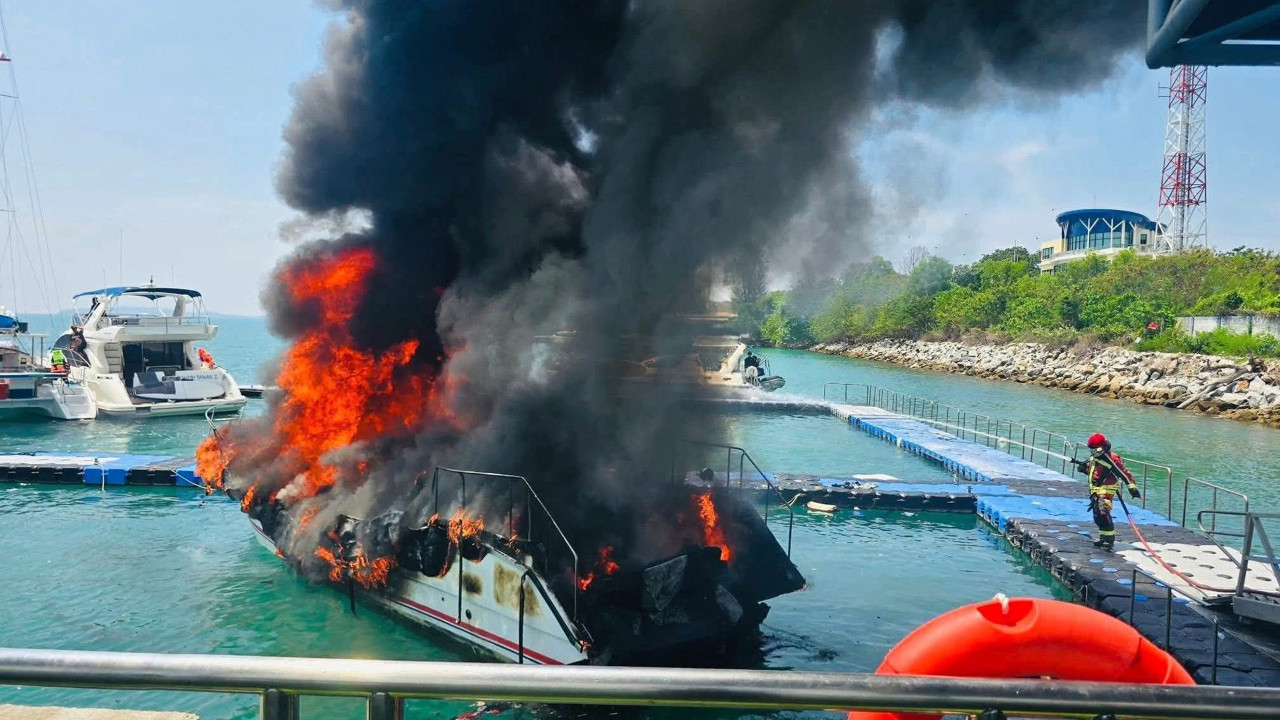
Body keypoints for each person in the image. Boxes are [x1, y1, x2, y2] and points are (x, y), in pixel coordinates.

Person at [1074, 433, 1141, 551]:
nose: (1092, 451)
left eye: (1093, 449)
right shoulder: (1095, 457)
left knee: (1103, 512)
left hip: (1106, 490)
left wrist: (1132, 488)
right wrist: (1085, 469)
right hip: (1095, 491)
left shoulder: (1112, 458)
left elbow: (1124, 473)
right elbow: (1095, 472)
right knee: (1097, 516)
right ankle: (1103, 537)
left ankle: (1109, 540)